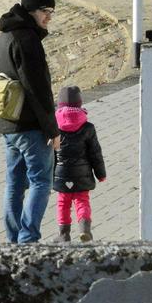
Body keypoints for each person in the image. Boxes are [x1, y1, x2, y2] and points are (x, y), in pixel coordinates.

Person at [0, 0, 59, 244]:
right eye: (46, 11)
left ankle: (13, 239)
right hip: (31, 126)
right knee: (42, 181)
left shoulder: (5, 36)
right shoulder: (27, 39)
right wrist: (53, 130)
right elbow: (38, 89)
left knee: (14, 185)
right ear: (32, 10)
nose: (49, 17)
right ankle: (28, 239)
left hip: (8, 124)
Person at [53, 86, 107, 242]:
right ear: (79, 104)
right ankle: (85, 230)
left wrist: (50, 175)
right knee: (82, 201)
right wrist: (101, 174)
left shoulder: (55, 128)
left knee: (63, 202)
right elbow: (95, 153)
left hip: (61, 174)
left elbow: (51, 155)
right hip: (82, 174)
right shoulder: (88, 128)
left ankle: (64, 234)